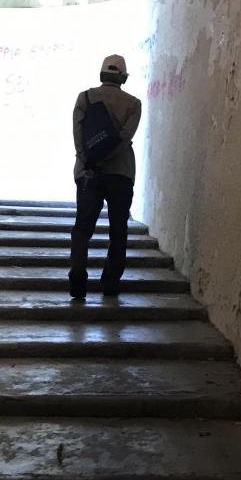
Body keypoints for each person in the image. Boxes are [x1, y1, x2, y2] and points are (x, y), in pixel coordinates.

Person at [69, 53, 143, 300]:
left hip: (89, 173)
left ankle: (78, 278)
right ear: (123, 78)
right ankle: (111, 282)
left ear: (101, 74)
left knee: (83, 228)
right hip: (121, 173)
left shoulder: (85, 98)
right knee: (118, 229)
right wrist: (108, 157)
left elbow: (78, 134)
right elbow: (125, 139)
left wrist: (87, 161)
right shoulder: (133, 104)